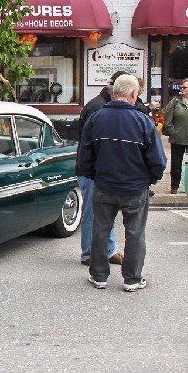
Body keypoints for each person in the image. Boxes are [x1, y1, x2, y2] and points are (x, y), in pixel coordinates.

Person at [77, 74, 166, 291]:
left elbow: (84, 155)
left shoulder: (96, 118)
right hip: (135, 187)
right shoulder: (143, 121)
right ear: (133, 95)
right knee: (135, 233)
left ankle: (99, 276)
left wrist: (92, 175)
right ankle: (132, 279)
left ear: (113, 92)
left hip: (104, 185)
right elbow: (158, 160)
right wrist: (151, 179)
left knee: (100, 230)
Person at [75, 70, 127, 267]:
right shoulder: (97, 107)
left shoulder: (101, 105)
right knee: (92, 212)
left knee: (106, 211)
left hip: (98, 168)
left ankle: (108, 250)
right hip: (92, 169)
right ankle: (89, 253)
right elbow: (92, 144)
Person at [163, 78, 188, 194]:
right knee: (176, 164)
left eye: (184, 88)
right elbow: (167, 119)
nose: (182, 90)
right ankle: (175, 186)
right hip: (178, 138)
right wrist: (173, 131)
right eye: (181, 87)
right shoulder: (175, 102)